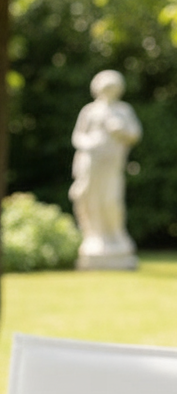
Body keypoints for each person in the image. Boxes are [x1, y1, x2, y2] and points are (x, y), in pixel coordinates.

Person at [68, 70, 142, 269]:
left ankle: (116, 237)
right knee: (92, 200)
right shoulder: (89, 111)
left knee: (111, 200)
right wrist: (91, 143)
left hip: (112, 165)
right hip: (91, 163)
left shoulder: (124, 110)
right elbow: (78, 137)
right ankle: (95, 237)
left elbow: (135, 134)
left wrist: (121, 130)